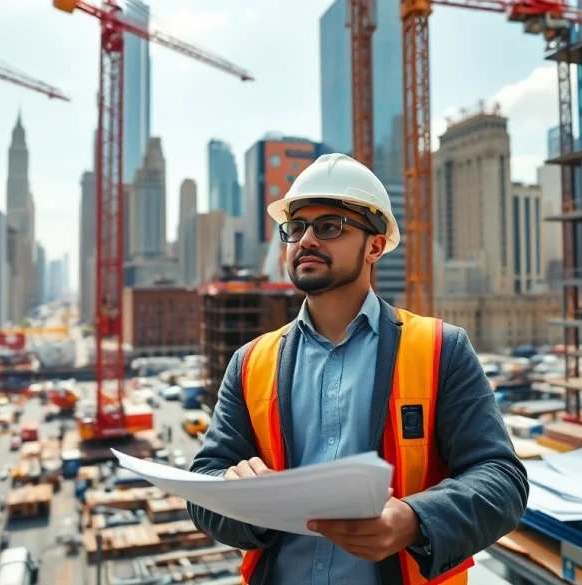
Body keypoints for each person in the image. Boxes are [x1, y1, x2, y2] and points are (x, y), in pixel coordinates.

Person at [187, 153, 529, 585]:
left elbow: (502, 480)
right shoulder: (251, 361)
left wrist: (413, 519)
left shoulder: (442, 348)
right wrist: (247, 504)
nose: (306, 239)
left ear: (375, 245)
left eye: (329, 226)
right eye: (296, 228)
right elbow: (203, 486)